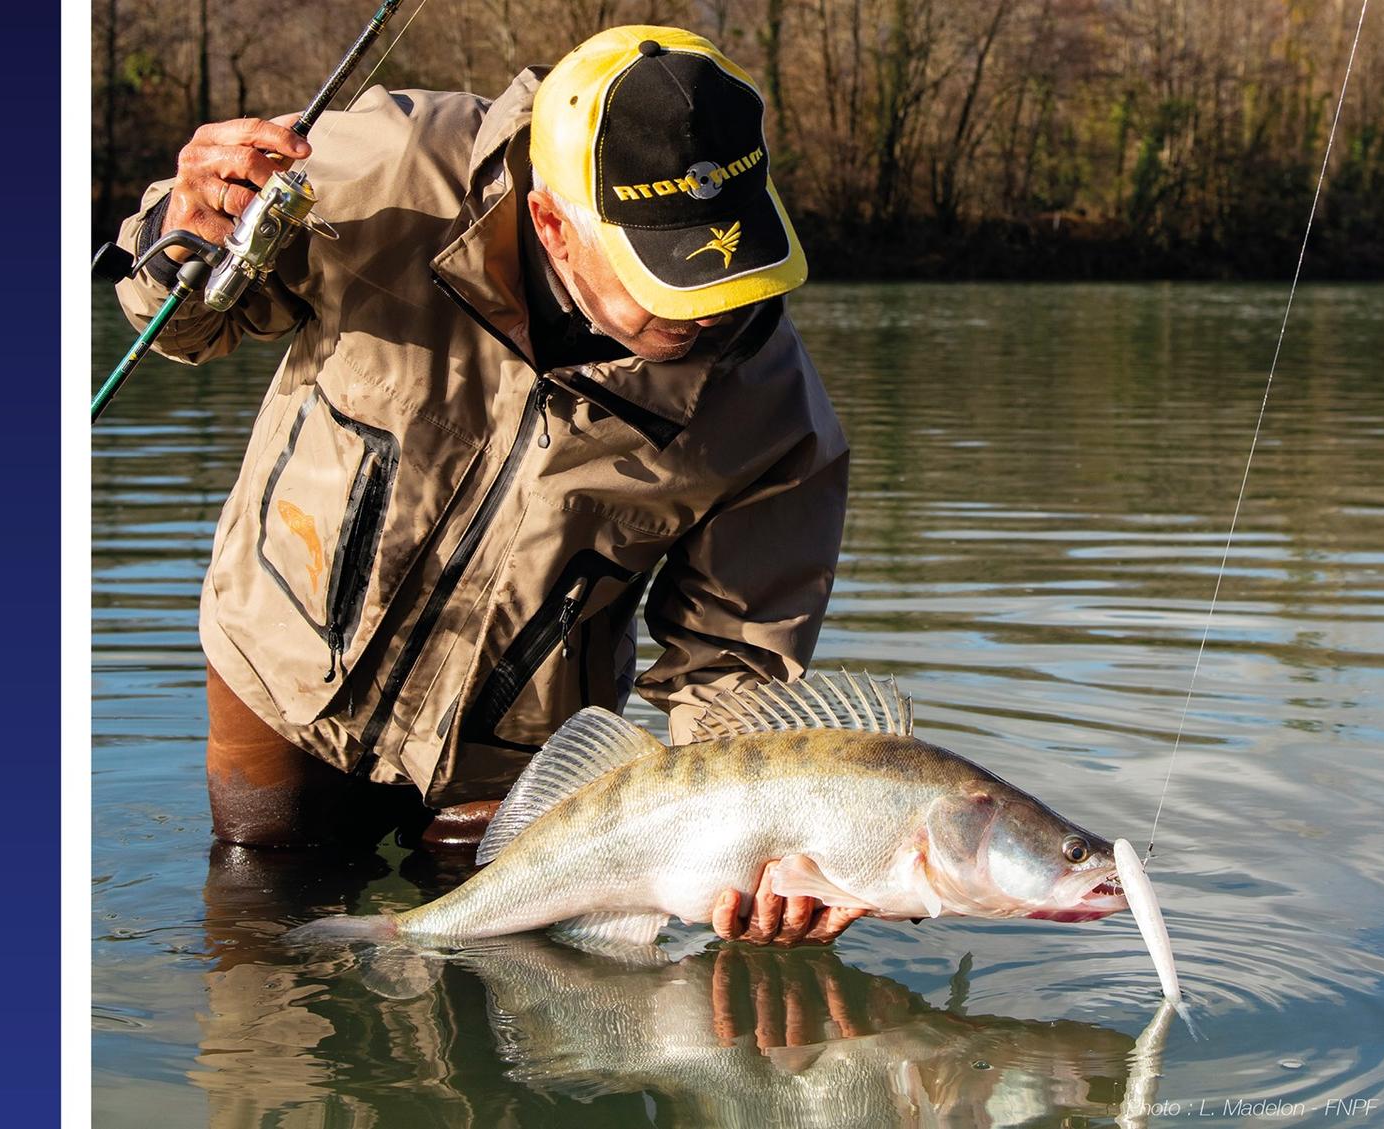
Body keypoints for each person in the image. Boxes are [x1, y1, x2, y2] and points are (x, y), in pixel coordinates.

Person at [115, 26, 861, 946]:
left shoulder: (777, 416)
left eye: (734, 258)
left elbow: (732, 672)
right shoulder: (377, 166)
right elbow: (183, 328)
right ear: (553, 222)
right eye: (667, 275)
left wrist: (756, 846)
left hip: (516, 765)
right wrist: (179, 235)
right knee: (259, 940)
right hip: (278, 682)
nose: (711, 306)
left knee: (496, 1000)